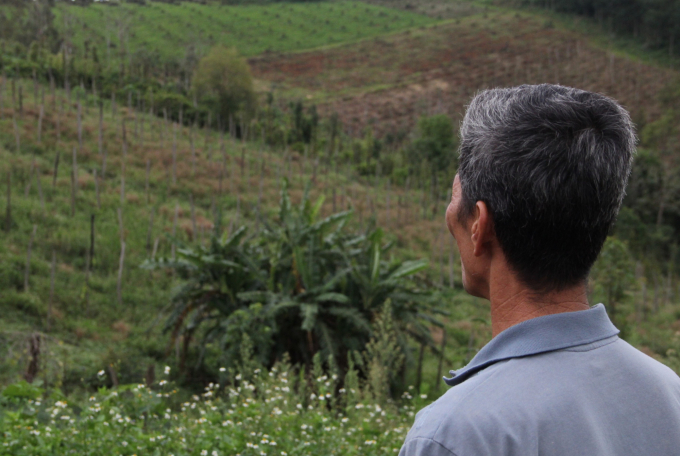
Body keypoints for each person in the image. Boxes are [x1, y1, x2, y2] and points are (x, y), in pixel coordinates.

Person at [399, 84, 680, 456]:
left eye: (456, 199)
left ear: (479, 226)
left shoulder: (456, 435)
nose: (450, 213)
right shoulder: (668, 393)